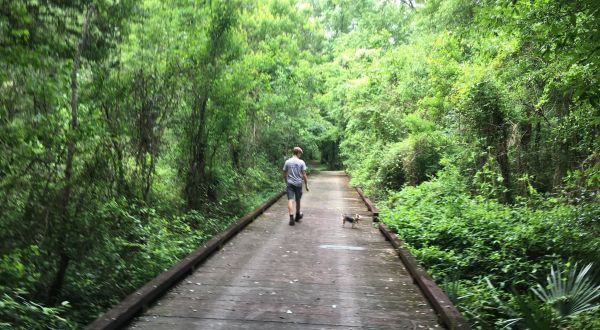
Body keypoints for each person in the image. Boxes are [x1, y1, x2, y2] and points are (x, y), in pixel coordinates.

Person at [282, 147, 309, 226]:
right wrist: (306, 185)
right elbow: (304, 174)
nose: (300, 155)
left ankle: (291, 218)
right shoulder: (301, 162)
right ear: (298, 153)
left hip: (290, 183)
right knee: (298, 200)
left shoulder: (287, 162)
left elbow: (284, 173)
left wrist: (286, 181)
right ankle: (297, 215)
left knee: (290, 199)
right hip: (298, 184)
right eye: (300, 154)